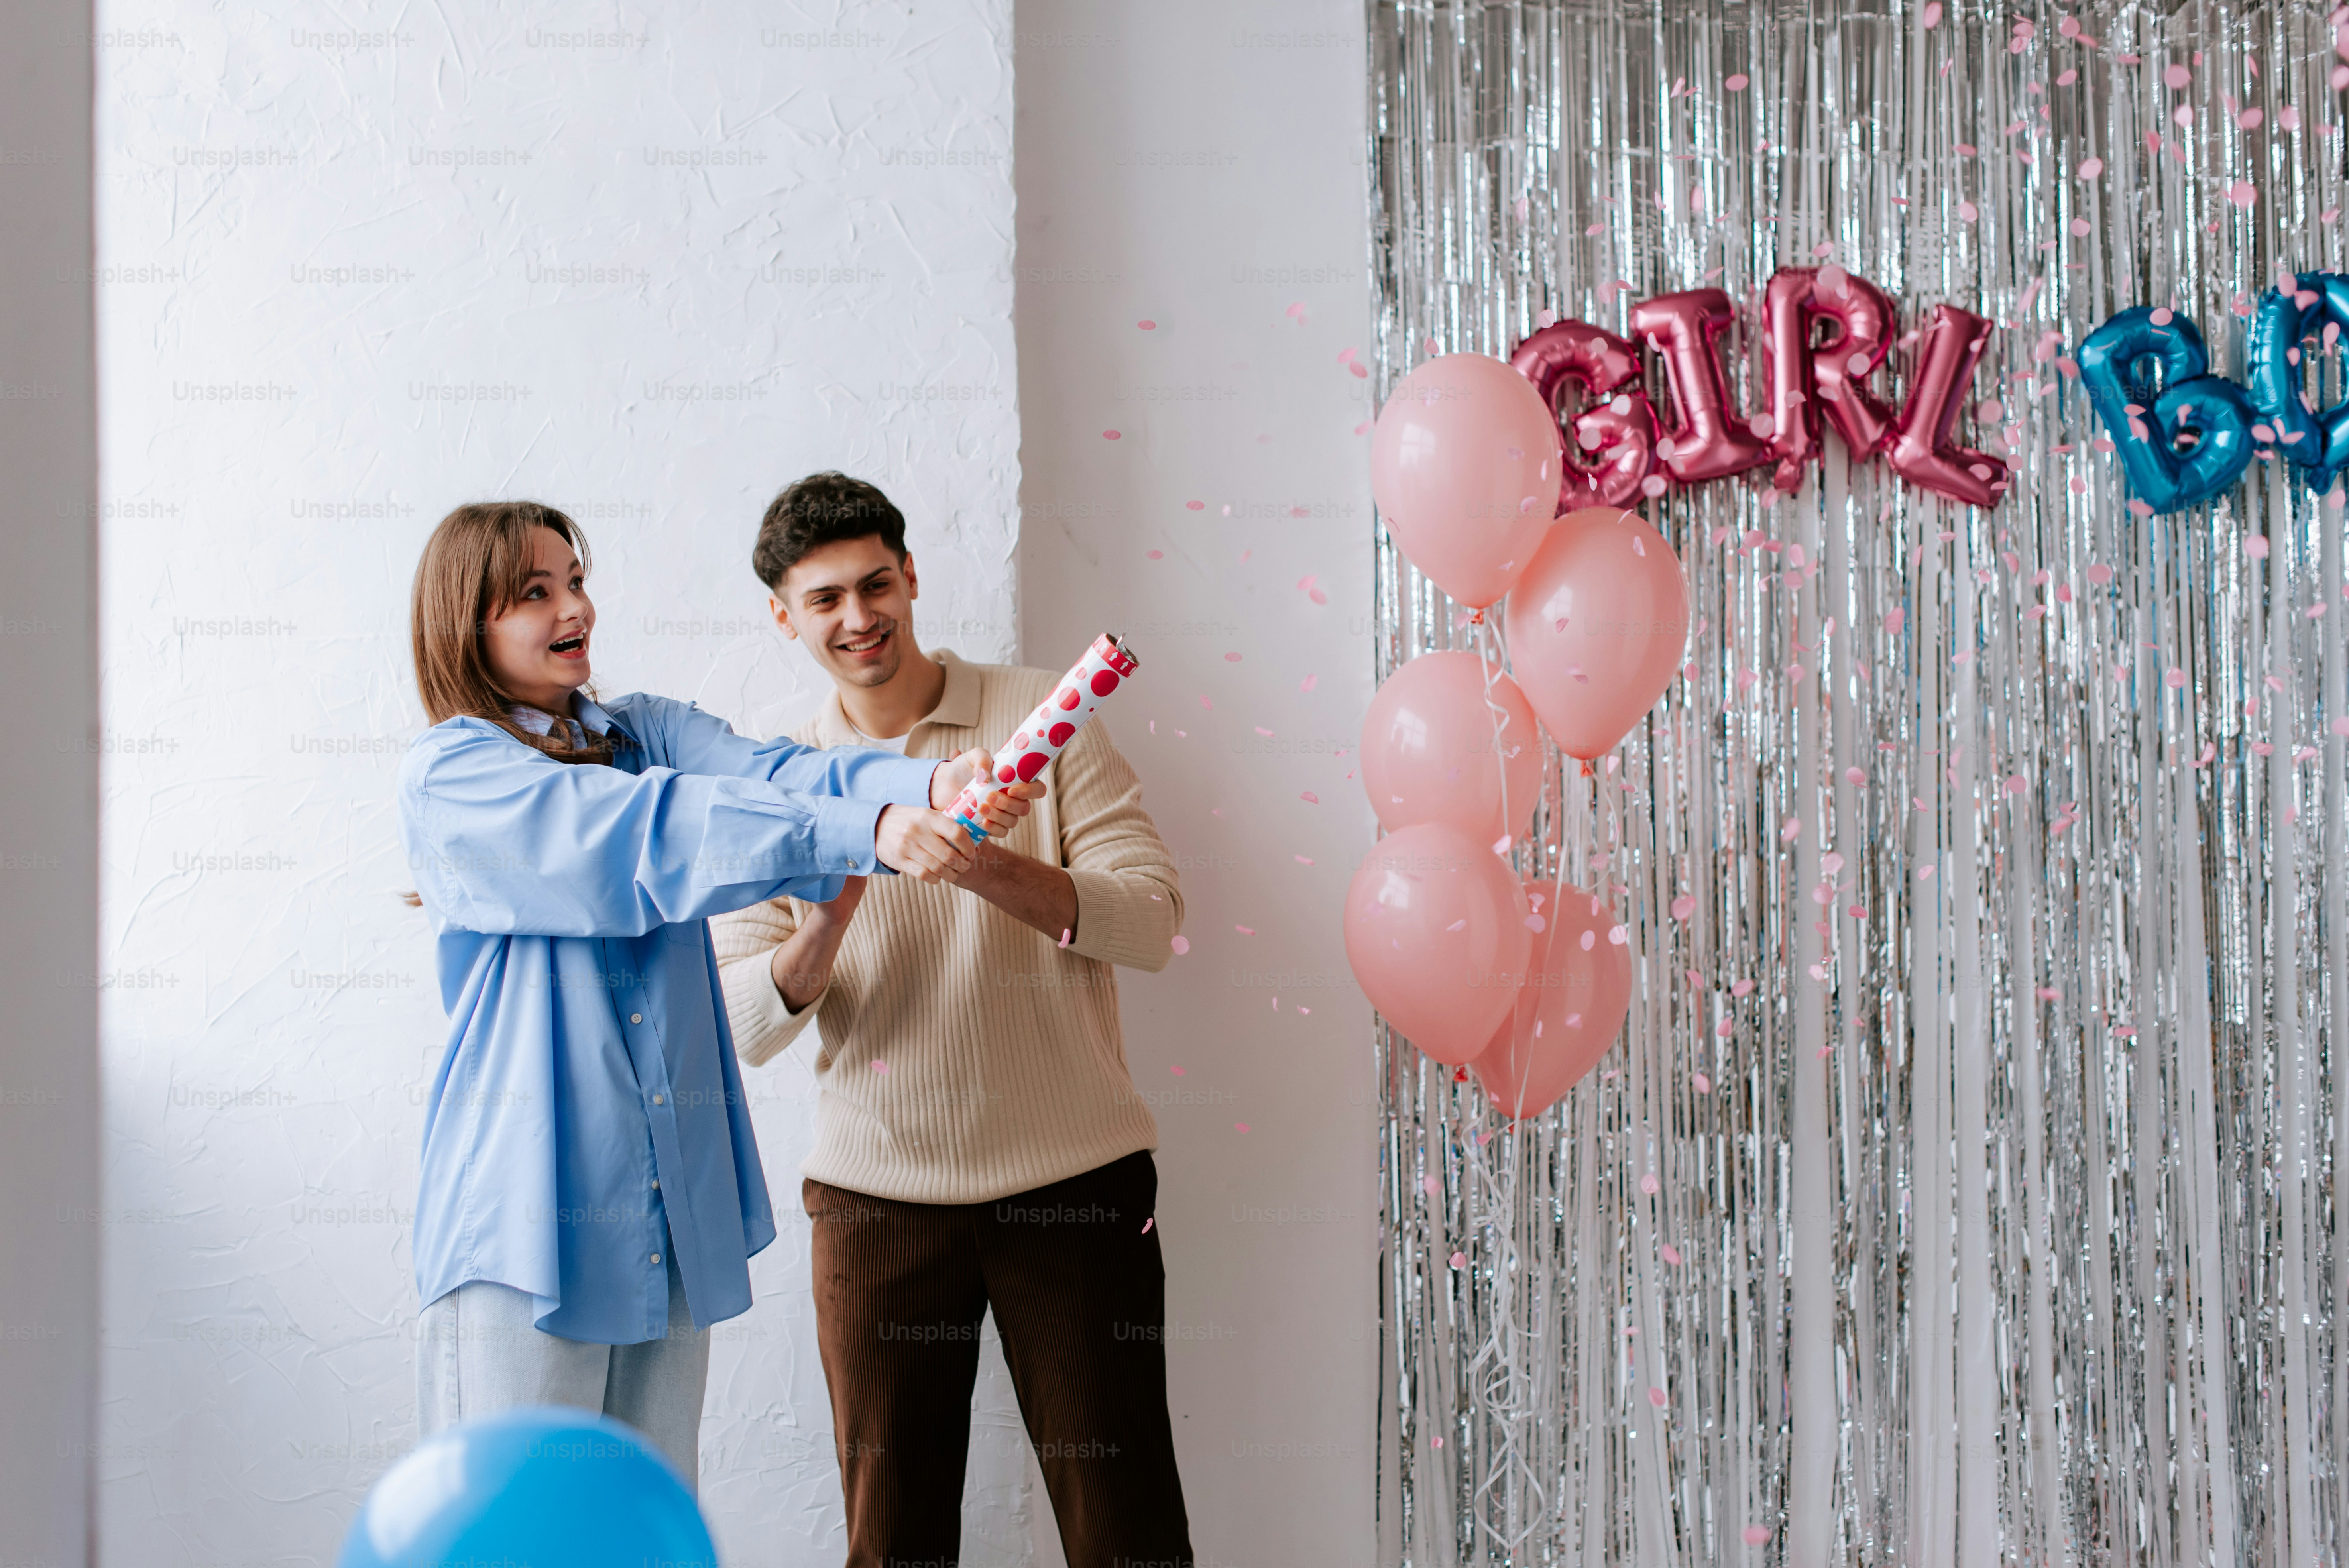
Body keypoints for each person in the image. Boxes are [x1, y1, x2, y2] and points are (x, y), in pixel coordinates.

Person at [395, 501, 1036, 1493]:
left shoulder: (641, 729)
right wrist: (868, 826)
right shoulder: (456, 774)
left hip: (660, 1207)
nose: (576, 606)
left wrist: (932, 781)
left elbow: (777, 769)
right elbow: (646, 833)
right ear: (463, 624)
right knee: (520, 1530)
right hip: (527, 1213)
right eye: (536, 592)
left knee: (649, 1522)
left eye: (575, 578)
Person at [710, 473, 1194, 1566]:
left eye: (875, 583)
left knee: (1126, 1531)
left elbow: (1151, 921)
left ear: (911, 575)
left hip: (1074, 1186)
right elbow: (743, 1020)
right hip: (877, 1204)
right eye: (823, 597)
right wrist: (841, 884)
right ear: (782, 617)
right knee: (893, 1541)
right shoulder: (778, 779)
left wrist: (983, 862)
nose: (857, 616)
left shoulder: (1043, 719)